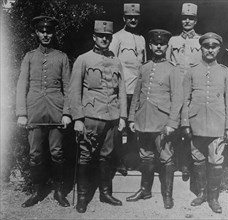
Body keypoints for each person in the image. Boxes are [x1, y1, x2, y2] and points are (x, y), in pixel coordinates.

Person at [69, 20, 127, 213]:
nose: (104, 39)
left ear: (111, 38)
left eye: (107, 36)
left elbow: (122, 91)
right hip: (91, 117)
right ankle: (83, 198)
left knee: (107, 156)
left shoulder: (116, 61)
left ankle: (105, 193)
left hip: (112, 117)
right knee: (86, 156)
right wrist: (77, 118)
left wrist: (123, 117)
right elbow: (74, 91)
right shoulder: (83, 59)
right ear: (94, 37)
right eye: (101, 36)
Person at [16, 16, 71, 208]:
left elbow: (68, 87)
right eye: (42, 31)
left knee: (57, 153)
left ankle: (58, 191)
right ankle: (37, 191)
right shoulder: (29, 57)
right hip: (34, 112)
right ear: (37, 33)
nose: (46, 34)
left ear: (54, 33)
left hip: (56, 111)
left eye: (49, 31)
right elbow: (22, 85)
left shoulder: (62, 57)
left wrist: (66, 112)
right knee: (35, 154)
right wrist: (22, 113)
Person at [126, 29, 183, 209]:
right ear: (150, 45)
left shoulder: (172, 70)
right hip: (143, 120)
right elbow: (136, 94)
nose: (159, 46)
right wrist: (131, 119)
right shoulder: (144, 67)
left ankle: (167, 195)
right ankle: (145, 190)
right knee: (146, 157)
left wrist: (172, 123)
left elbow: (178, 98)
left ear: (167, 46)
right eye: (155, 43)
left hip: (161, 123)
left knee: (166, 158)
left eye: (162, 44)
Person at [181, 32, 228, 213]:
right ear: (201, 48)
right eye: (206, 46)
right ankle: (202, 193)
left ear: (218, 49)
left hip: (217, 126)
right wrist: (185, 124)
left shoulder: (225, 72)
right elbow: (185, 100)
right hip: (196, 125)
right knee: (198, 160)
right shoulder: (192, 71)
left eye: (214, 47)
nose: (210, 50)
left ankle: (213, 198)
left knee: (216, 162)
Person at [109, 3, 146, 174]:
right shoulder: (117, 38)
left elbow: (143, 65)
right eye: (130, 17)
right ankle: (118, 162)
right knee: (120, 127)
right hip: (122, 90)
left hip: (136, 90)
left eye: (136, 17)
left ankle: (132, 161)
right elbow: (111, 64)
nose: (133, 20)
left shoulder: (141, 39)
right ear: (124, 18)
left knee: (133, 128)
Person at [166, 2, 201, 182]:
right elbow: (167, 66)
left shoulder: (201, 41)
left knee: (189, 128)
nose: (187, 21)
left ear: (195, 20)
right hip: (175, 90)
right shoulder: (173, 41)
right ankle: (170, 162)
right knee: (173, 126)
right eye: (184, 18)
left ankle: (186, 164)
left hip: (193, 91)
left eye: (191, 18)